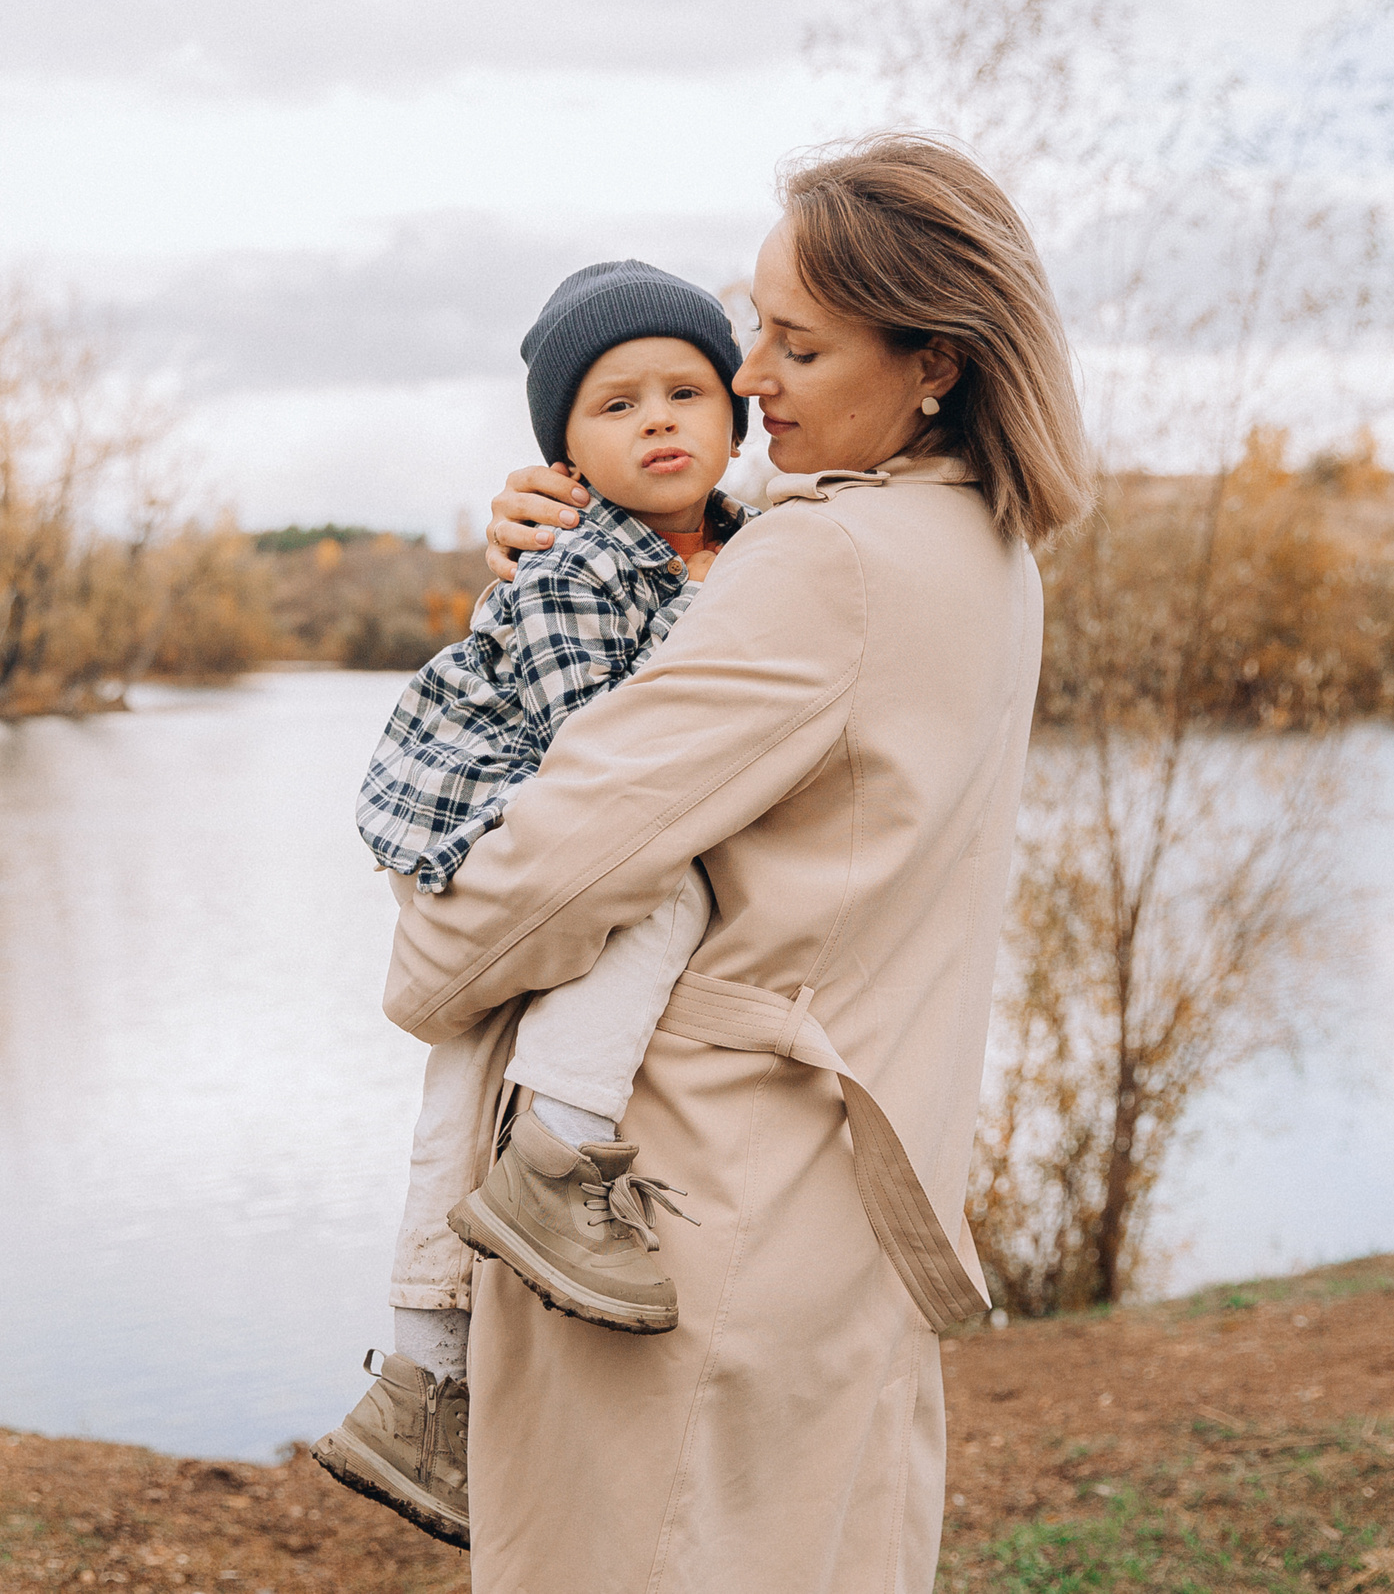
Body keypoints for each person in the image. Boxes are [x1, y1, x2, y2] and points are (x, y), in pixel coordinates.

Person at [385, 134, 1094, 1592]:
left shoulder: (819, 565)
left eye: (797, 341)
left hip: (680, 1215)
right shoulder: (978, 546)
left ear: (935, 363)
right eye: (755, 324)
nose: (749, 372)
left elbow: (563, 855)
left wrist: (425, 967)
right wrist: (572, 561)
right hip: (831, 1218)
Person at [313, 260, 758, 1550]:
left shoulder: (749, 537)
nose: (661, 420)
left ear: (736, 411)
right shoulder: (579, 563)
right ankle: (556, 1161)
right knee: (657, 899)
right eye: (616, 407)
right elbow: (601, 763)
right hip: (471, 800)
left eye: (687, 390)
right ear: (562, 454)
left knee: (467, 1060)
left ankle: (419, 1378)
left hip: (528, 809)